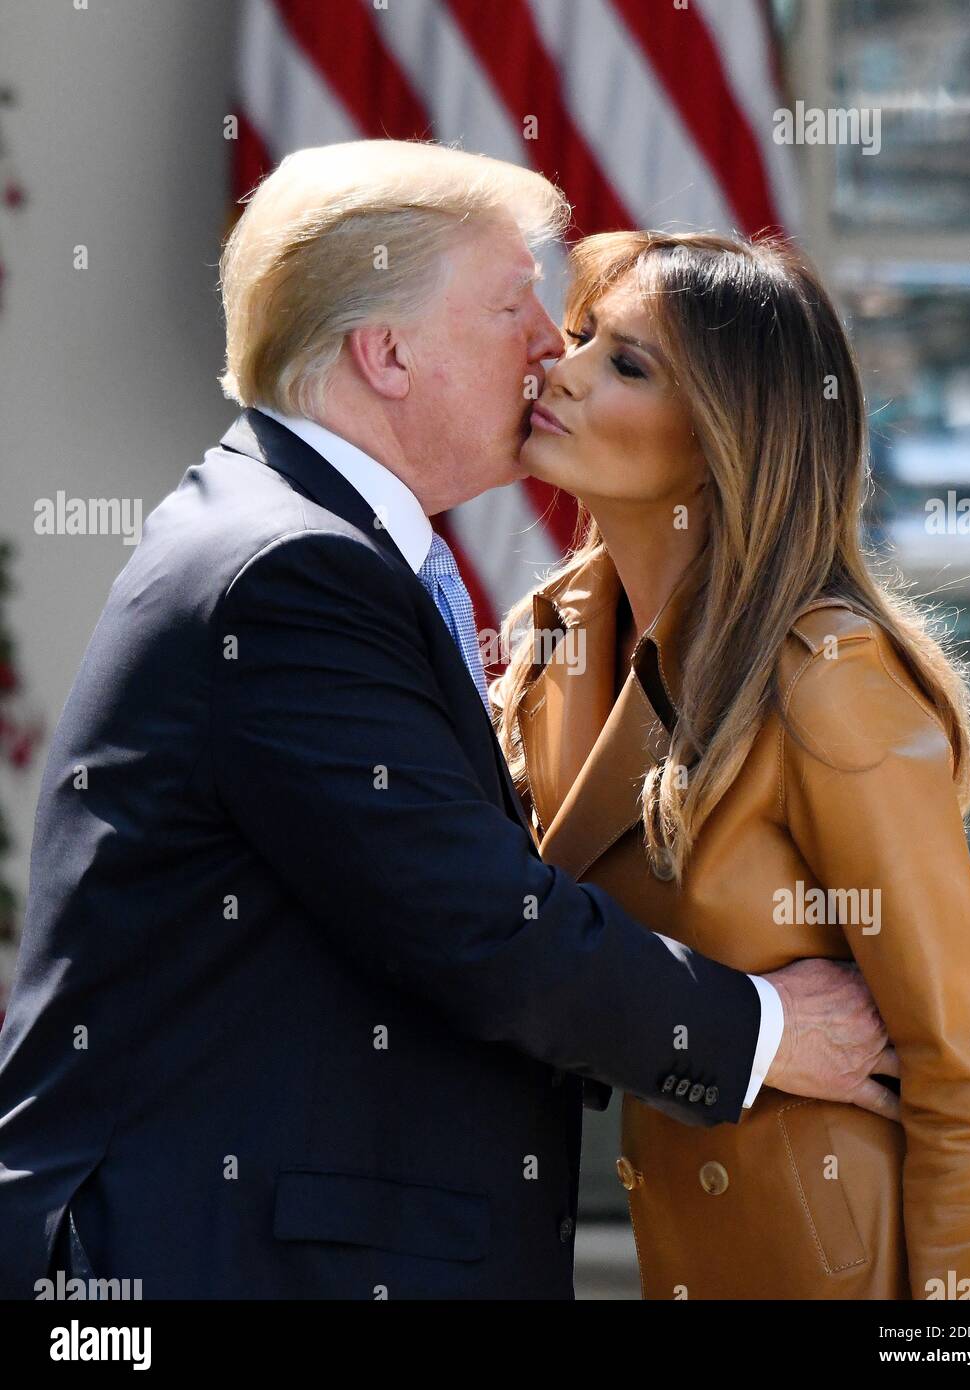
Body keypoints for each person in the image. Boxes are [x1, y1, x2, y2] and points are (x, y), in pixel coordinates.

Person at [0, 144, 892, 1300]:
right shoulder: (291, 570)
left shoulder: (301, 536)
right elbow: (477, 925)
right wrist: (765, 1031)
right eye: (510, 304)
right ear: (386, 353)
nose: (545, 345)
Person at [494, 228, 970, 1299]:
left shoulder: (823, 678)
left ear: (721, 437)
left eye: (622, 363)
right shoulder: (553, 639)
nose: (555, 373)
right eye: (577, 338)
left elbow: (967, 1072)